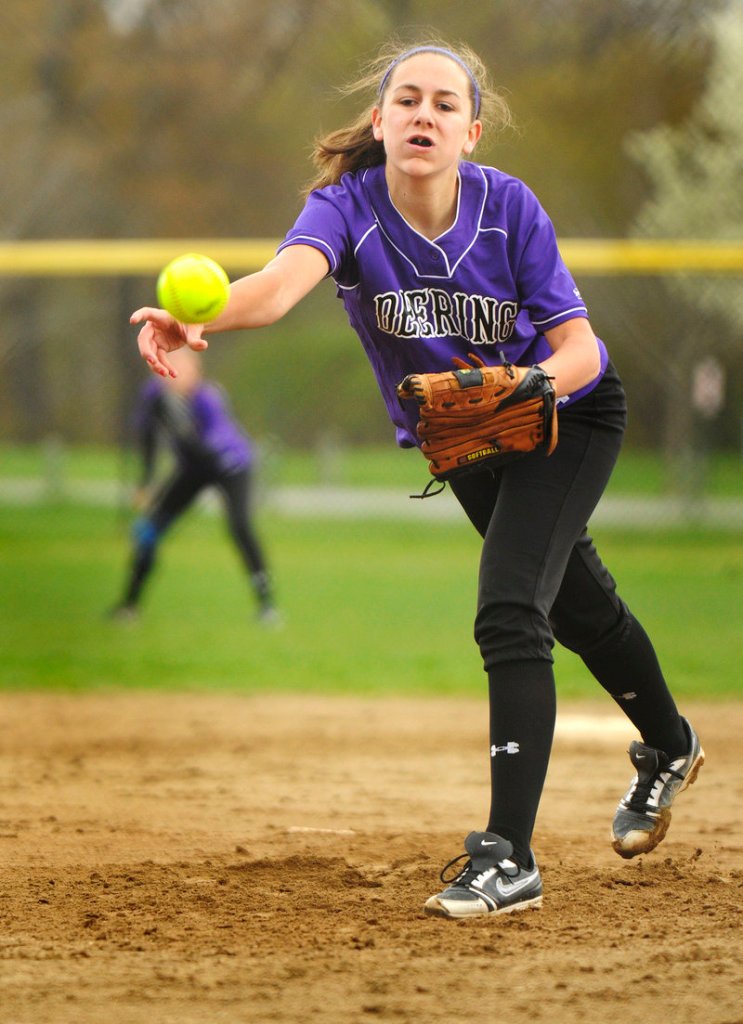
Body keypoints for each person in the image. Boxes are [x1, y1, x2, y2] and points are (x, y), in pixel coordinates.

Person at [130, 39, 704, 918]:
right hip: (465, 437)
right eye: (406, 100)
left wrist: (533, 385)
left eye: (443, 103)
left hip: (566, 415)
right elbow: (280, 288)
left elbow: (580, 349)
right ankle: (668, 745)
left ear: (469, 131)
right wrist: (188, 317)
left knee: (510, 605)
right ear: (380, 120)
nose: (422, 114)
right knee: (576, 604)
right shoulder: (345, 208)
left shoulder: (508, 207)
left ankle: (507, 858)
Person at [110, 346, 280, 626]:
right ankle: (128, 606)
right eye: (170, 367)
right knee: (150, 530)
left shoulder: (208, 399)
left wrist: (184, 431)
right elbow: (148, 438)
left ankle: (267, 606)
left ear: (196, 373)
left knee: (239, 526)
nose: (175, 375)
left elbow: (208, 449)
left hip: (230, 465)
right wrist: (146, 483)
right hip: (192, 469)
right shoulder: (154, 397)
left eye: (184, 369)